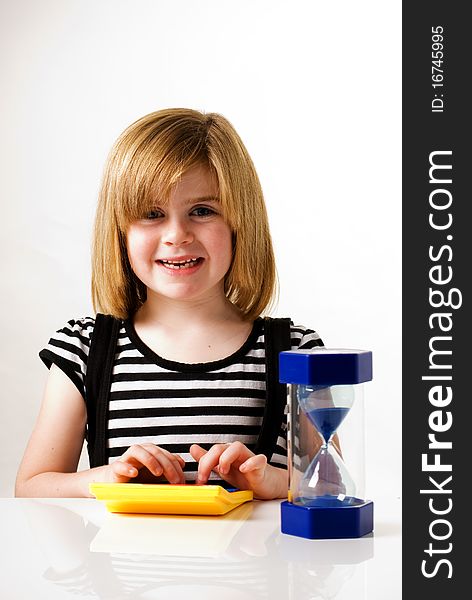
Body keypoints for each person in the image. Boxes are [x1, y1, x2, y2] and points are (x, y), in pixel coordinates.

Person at [15, 108, 323, 500]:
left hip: (260, 563)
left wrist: (274, 483)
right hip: (121, 563)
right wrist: (104, 479)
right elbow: (32, 487)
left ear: (239, 223)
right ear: (120, 231)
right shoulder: (84, 349)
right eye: (151, 214)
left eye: (202, 211)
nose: (177, 235)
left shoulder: (296, 352)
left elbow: (331, 484)